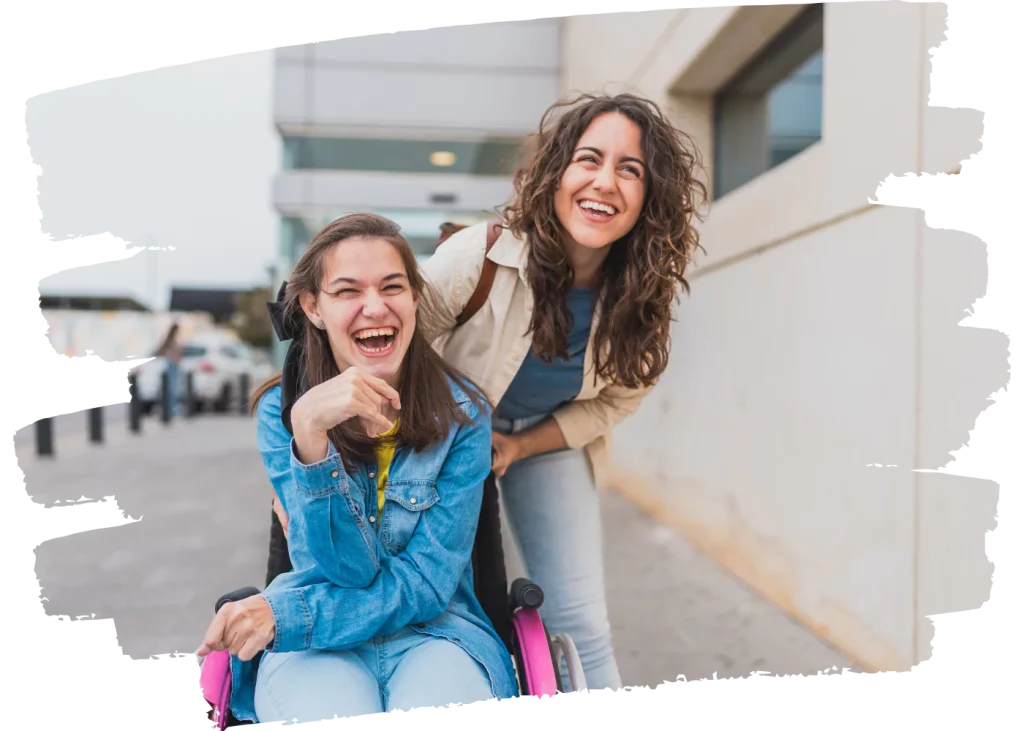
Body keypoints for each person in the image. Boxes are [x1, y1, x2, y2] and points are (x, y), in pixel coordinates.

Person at [273, 91, 708, 695]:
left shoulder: (640, 297)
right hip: (434, 436)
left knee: (582, 623)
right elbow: (380, 345)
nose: (605, 181)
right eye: (589, 159)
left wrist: (521, 447)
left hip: (537, 442)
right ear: (556, 173)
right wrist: (307, 473)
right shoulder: (476, 258)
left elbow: (617, 401)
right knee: (425, 588)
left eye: (629, 169)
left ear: (649, 196)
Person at [195, 212, 519, 724]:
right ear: (313, 307)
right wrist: (311, 437)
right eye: (347, 291)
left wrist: (285, 614)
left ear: (414, 298)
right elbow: (348, 569)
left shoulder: (465, 415)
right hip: (316, 646)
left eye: (393, 286)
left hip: (436, 632)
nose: (375, 307)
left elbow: (427, 586)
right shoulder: (284, 417)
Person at [153, 322, 183, 417]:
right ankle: (168, 409)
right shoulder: (169, 340)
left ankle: (170, 409)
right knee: (170, 389)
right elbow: (160, 351)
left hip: (174, 365)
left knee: (172, 388)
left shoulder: (174, 340)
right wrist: (170, 354)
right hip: (170, 365)